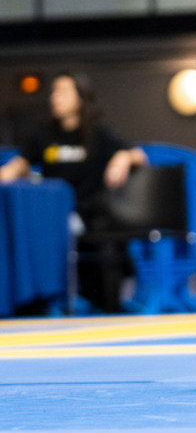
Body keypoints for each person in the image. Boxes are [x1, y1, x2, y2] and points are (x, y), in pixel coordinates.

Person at [0, 72, 148, 313]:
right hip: (52, 218)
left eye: (63, 92)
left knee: (106, 235)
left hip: (91, 214)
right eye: (54, 92)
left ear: (80, 97)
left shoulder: (99, 133)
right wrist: (7, 172)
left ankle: (105, 301)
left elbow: (139, 155)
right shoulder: (43, 133)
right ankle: (34, 302)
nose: (55, 98)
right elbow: (20, 164)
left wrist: (122, 157)